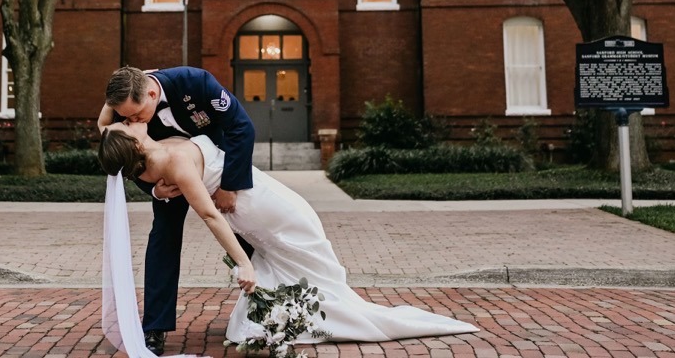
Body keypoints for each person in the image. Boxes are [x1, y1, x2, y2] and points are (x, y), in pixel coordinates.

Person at [98, 122, 479, 351]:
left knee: (311, 265)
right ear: (134, 144)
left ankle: (316, 310)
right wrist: (244, 264)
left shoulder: (148, 162)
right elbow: (211, 216)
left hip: (265, 200)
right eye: (125, 125)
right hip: (258, 209)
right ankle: (330, 315)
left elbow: (107, 128)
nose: (127, 120)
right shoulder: (175, 162)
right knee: (301, 265)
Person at [100, 65, 256, 356]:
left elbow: (241, 127)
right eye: (126, 118)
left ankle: (261, 302)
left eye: (136, 115)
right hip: (169, 178)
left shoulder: (195, 82)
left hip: (218, 168)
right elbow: (123, 155)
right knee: (163, 237)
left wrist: (229, 185)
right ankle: (154, 328)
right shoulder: (127, 109)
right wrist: (154, 190)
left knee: (248, 232)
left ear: (151, 93)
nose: (132, 121)